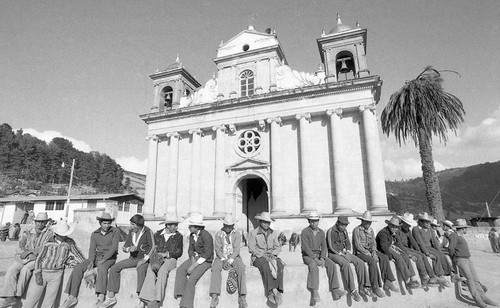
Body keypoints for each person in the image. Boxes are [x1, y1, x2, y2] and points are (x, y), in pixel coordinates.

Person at [61, 212, 121, 308]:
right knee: (78, 268)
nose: (107, 225)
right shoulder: (95, 234)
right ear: (100, 223)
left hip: (110, 258)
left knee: (102, 267)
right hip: (97, 257)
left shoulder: (115, 231)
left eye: (108, 223)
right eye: (104, 223)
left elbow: (114, 248)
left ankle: (101, 297)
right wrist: (91, 261)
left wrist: (104, 259)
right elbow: (92, 249)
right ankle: (72, 297)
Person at [23, 220, 85, 308]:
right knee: (31, 300)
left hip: (57, 274)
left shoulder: (70, 243)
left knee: (49, 302)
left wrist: (86, 264)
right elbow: (39, 258)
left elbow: (78, 254)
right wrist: (37, 273)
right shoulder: (48, 242)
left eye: (65, 235)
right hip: (43, 272)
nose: (63, 237)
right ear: (56, 234)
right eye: (61, 235)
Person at [99, 214, 155, 308]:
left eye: (133, 224)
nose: (131, 226)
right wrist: (129, 249)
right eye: (131, 224)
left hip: (144, 259)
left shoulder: (148, 231)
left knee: (141, 270)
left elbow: (153, 246)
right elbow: (124, 248)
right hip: (133, 258)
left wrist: (145, 259)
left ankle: (141, 299)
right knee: (114, 268)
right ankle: (111, 297)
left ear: (139, 225)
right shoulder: (131, 232)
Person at [0, 212, 54, 308]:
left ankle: (17, 294)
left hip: (38, 258)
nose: (40, 224)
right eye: (38, 222)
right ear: (35, 221)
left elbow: (45, 247)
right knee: (12, 269)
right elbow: (21, 244)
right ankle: (10, 296)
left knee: (26, 270)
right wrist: (27, 253)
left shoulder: (49, 234)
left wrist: (32, 253)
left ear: (46, 222)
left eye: (42, 222)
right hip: (26, 256)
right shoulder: (28, 231)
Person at [449, 219, 498, 308]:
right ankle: (478, 300)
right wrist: (454, 258)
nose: (467, 230)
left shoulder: (461, 236)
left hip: (467, 259)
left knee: (476, 279)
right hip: (460, 259)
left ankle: (484, 297)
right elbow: (451, 248)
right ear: (462, 228)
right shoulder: (454, 235)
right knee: (470, 279)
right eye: (466, 228)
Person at [301, 211, 346, 306]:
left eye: (316, 221)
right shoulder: (305, 232)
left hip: (319, 254)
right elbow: (305, 247)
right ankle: (314, 291)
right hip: (307, 256)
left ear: (318, 221)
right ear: (309, 221)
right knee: (313, 266)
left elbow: (324, 247)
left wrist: (322, 257)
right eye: (312, 221)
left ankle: (335, 289)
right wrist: (314, 258)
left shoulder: (321, 232)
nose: (314, 223)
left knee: (332, 265)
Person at [139, 213, 183, 308]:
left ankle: (157, 300)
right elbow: (152, 247)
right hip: (157, 258)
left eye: (176, 225)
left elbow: (179, 252)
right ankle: (147, 298)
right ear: (167, 225)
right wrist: (154, 255)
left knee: (163, 271)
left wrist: (167, 254)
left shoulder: (179, 236)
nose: (176, 227)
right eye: (174, 225)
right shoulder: (157, 234)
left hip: (170, 259)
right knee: (150, 270)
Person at [352, 210, 398, 298]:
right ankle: (375, 286)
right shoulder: (356, 230)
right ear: (362, 221)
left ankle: (388, 281)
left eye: (369, 222)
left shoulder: (371, 230)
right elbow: (357, 245)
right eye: (366, 222)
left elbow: (373, 243)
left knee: (384, 257)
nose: (368, 224)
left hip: (370, 251)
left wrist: (373, 252)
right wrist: (368, 253)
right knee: (372, 261)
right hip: (360, 252)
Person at [174, 213, 214, 308]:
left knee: (192, 279)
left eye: (191, 226)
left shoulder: (206, 236)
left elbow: (207, 254)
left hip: (206, 261)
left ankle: (186, 305)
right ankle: (181, 295)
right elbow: (190, 249)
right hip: (195, 258)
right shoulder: (192, 235)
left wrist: (194, 265)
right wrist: (192, 260)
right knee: (180, 270)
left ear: (197, 227)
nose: (189, 227)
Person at [327, 215, 370, 301]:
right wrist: (340, 254)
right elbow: (331, 246)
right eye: (342, 225)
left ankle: (363, 287)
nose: (344, 227)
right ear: (338, 223)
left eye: (345, 225)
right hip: (334, 253)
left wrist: (348, 251)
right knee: (345, 264)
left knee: (360, 262)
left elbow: (348, 243)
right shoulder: (331, 230)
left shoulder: (345, 231)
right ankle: (353, 290)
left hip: (344, 252)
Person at [209, 213, 248, 308]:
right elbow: (217, 249)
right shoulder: (218, 234)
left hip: (233, 256)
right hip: (221, 256)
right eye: (226, 226)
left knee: (241, 268)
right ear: (223, 225)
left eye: (230, 226)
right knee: (215, 268)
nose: (228, 228)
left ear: (233, 226)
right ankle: (214, 295)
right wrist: (223, 259)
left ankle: (242, 296)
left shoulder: (237, 235)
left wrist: (230, 260)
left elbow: (237, 249)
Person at [248, 211, 285, 306]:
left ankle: (278, 289)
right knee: (265, 265)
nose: (266, 224)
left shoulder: (274, 233)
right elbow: (251, 248)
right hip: (258, 257)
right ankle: (272, 291)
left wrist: (273, 254)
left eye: (268, 222)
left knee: (280, 265)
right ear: (260, 222)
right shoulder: (254, 233)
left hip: (270, 256)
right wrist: (262, 255)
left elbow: (277, 247)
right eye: (264, 222)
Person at [376, 216, 420, 290]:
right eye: (393, 226)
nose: (395, 228)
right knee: (398, 258)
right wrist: (390, 257)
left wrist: (407, 253)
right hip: (383, 250)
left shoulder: (394, 233)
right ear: (389, 225)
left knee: (405, 256)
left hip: (391, 247)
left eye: (396, 227)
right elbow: (384, 247)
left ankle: (413, 278)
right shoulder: (383, 233)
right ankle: (407, 281)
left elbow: (398, 244)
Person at [412, 212, 454, 286]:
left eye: (428, 222)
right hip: (423, 248)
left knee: (442, 255)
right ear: (421, 222)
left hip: (430, 247)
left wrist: (439, 251)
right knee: (436, 257)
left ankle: (451, 273)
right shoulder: (416, 229)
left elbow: (434, 241)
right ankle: (440, 275)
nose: (428, 223)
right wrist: (427, 253)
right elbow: (420, 242)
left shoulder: (430, 229)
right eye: (426, 222)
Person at [398, 213, 440, 287]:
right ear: (402, 222)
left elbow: (413, 242)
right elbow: (399, 245)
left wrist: (419, 251)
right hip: (401, 249)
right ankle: (424, 277)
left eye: (408, 225)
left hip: (407, 248)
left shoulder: (408, 231)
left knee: (422, 256)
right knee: (418, 257)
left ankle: (432, 276)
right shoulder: (397, 231)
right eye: (406, 224)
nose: (407, 226)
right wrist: (409, 254)